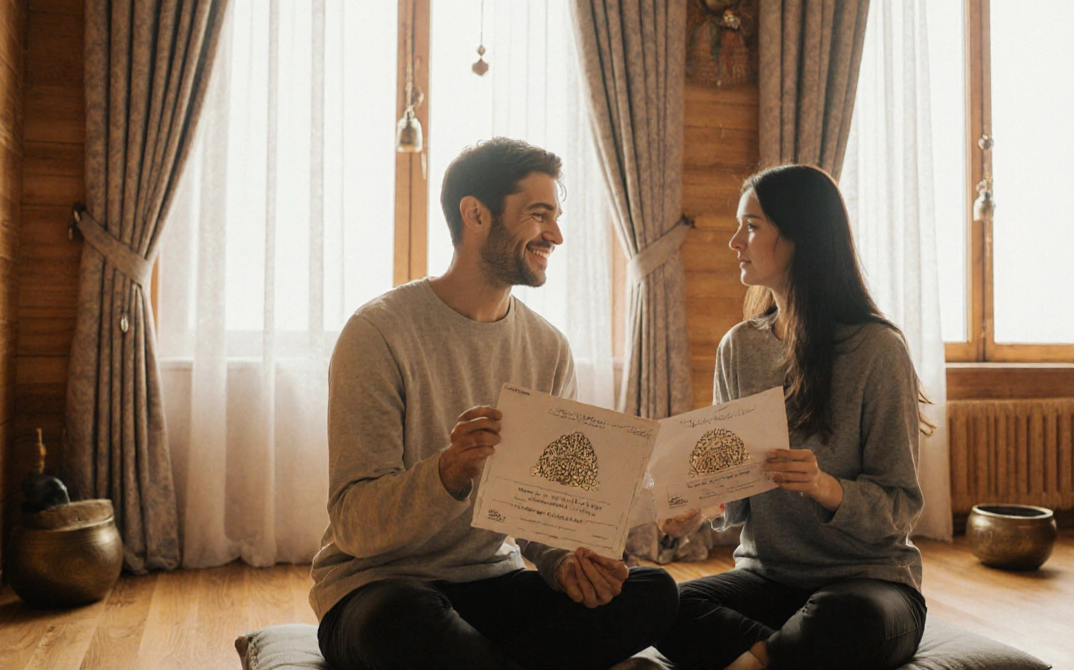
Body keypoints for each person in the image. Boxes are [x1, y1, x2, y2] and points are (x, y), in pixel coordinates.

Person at [310, 138, 677, 670]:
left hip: (489, 583)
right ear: (475, 214)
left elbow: (536, 510)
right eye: (539, 214)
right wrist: (448, 473)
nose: (555, 234)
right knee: (401, 624)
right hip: (381, 587)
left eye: (556, 216)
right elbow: (354, 526)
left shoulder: (548, 348)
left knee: (654, 590)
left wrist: (563, 561)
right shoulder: (377, 333)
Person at [655, 165, 929, 670]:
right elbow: (733, 490)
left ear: (802, 236)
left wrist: (825, 486)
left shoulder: (878, 349)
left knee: (850, 618)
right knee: (663, 603)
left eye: (752, 227)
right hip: (769, 579)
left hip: (868, 583)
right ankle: (786, 657)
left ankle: (757, 658)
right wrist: (700, 507)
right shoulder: (739, 348)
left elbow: (902, 506)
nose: (735, 241)